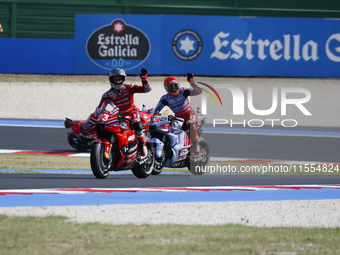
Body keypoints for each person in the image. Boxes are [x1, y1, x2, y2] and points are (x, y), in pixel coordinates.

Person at [84, 68, 151, 158]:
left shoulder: (129, 87)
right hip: (119, 115)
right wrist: (95, 118)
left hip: (132, 112)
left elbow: (146, 89)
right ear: (111, 80)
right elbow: (100, 107)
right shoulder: (107, 94)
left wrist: (144, 79)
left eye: (119, 79)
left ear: (123, 79)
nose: (117, 81)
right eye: (115, 79)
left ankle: (143, 146)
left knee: (136, 124)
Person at [153, 73, 203, 156]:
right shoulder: (165, 98)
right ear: (166, 88)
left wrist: (192, 82)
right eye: (170, 87)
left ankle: (196, 145)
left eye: (175, 86)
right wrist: (155, 115)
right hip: (178, 118)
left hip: (189, 114)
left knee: (191, 124)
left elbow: (199, 91)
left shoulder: (183, 91)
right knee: (172, 131)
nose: (173, 89)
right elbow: (156, 110)